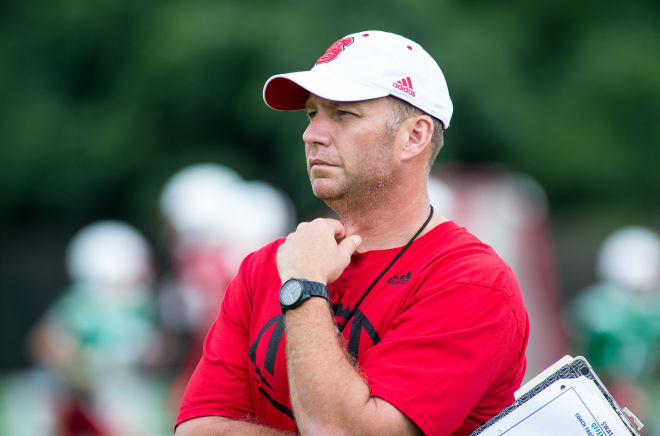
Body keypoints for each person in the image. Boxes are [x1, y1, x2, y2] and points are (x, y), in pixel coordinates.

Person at [175, 30, 529, 436]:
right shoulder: (264, 267)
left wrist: (304, 286)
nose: (312, 134)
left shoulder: (472, 281)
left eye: (343, 114)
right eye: (312, 114)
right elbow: (195, 430)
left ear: (414, 136)